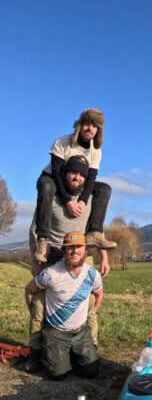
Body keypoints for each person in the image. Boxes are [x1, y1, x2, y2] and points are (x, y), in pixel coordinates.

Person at [25, 155, 110, 373]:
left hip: (79, 254)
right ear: (64, 174)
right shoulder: (51, 195)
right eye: (73, 172)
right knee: (39, 307)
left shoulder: (88, 199)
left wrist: (104, 257)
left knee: (88, 307)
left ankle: (89, 349)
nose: (77, 177)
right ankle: (36, 353)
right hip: (52, 254)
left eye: (82, 174)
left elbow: (95, 233)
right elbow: (34, 231)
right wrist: (35, 260)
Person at [34, 108, 116, 263]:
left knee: (104, 189)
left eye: (94, 125)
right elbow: (57, 174)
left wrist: (82, 201)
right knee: (47, 187)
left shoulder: (96, 150)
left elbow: (91, 179)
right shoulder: (62, 142)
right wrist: (68, 201)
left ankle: (94, 233)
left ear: (98, 130)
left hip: (76, 182)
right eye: (87, 124)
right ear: (80, 125)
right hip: (52, 178)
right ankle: (43, 240)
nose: (90, 128)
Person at [24, 231, 103, 380]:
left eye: (78, 246)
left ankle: (67, 355)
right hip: (56, 332)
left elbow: (99, 294)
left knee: (91, 371)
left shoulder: (93, 274)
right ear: (64, 250)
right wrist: (32, 308)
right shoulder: (51, 274)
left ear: (85, 250)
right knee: (58, 375)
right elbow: (29, 289)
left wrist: (90, 312)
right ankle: (47, 352)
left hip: (80, 332)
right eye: (70, 247)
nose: (74, 251)